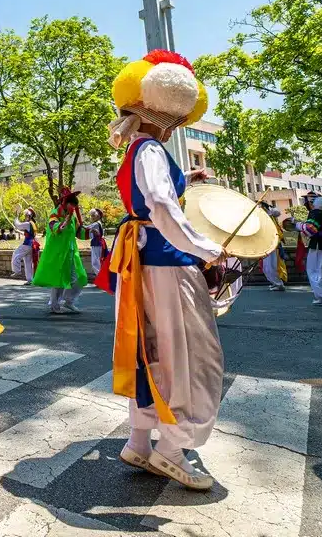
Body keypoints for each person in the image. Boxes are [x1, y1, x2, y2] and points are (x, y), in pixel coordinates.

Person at [101, 49, 225, 490]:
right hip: (166, 263)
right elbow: (160, 206)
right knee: (186, 355)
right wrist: (206, 249)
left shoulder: (139, 148)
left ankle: (139, 439)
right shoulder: (150, 148)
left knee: (148, 350)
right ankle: (171, 450)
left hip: (142, 261)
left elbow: (151, 197)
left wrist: (183, 180)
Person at [33, 187, 89, 314]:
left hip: (71, 253)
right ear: (65, 203)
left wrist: (92, 232)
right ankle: (54, 305)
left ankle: (69, 301)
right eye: (72, 204)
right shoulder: (55, 213)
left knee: (80, 278)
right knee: (58, 280)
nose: (73, 208)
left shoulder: (73, 217)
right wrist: (65, 222)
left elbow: (79, 233)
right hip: (58, 253)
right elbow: (54, 228)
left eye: (74, 206)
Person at [258, 203, 287, 291]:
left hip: (273, 244)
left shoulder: (270, 216)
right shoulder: (263, 217)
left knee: (272, 266)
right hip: (266, 244)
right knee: (267, 266)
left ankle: (279, 283)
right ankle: (275, 283)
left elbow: (277, 213)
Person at [10, 208, 38, 281]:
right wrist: (19, 231)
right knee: (28, 262)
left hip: (27, 244)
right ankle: (30, 279)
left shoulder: (28, 223)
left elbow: (18, 224)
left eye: (26, 216)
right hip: (32, 245)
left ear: (29, 216)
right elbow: (29, 234)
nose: (25, 217)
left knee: (16, 254)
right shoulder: (32, 224)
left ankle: (17, 271)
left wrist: (17, 215)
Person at [86, 207, 108, 281]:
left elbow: (86, 228)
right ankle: (101, 277)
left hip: (97, 243)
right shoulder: (98, 223)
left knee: (95, 262)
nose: (92, 217)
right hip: (99, 243)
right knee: (98, 261)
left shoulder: (95, 224)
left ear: (97, 216)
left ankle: (100, 278)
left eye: (93, 215)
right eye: (91, 216)